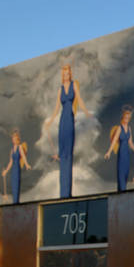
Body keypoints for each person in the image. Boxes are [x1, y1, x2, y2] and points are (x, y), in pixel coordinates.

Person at [43, 63, 92, 199]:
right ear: (62, 75)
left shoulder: (74, 85)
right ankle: (62, 193)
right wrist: (50, 121)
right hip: (62, 121)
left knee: (68, 155)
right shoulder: (60, 89)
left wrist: (86, 112)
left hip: (70, 119)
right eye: (65, 74)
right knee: (62, 154)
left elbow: (80, 100)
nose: (67, 75)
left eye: (68, 73)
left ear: (70, 74)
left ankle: (68, 193)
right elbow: (56, 108)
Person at [104, 105, 134, 191]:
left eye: (128, 118)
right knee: (121, 177)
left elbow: (130, 142)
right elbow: (114, 141)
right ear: (123, 118)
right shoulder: (119, 128)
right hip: (121, 154)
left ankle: (123, 193)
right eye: (125, 118)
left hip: (127, 155)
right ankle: (122, 193)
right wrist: (109, 152)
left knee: (125, 176)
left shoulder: (129, 128)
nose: (126, 120)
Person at [1, 129, 30, 204]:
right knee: (13, 187)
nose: (13, 140)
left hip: (17, 169)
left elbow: (23, 156)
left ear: (17, 139)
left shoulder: (20, 147)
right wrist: (6, 171)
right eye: (12, 138)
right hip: (13, 170)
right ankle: (14, 202)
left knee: (16, 186)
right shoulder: (12, 150)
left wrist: (26, 165)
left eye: (14, 138)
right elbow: (10, 162)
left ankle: (16, 202)